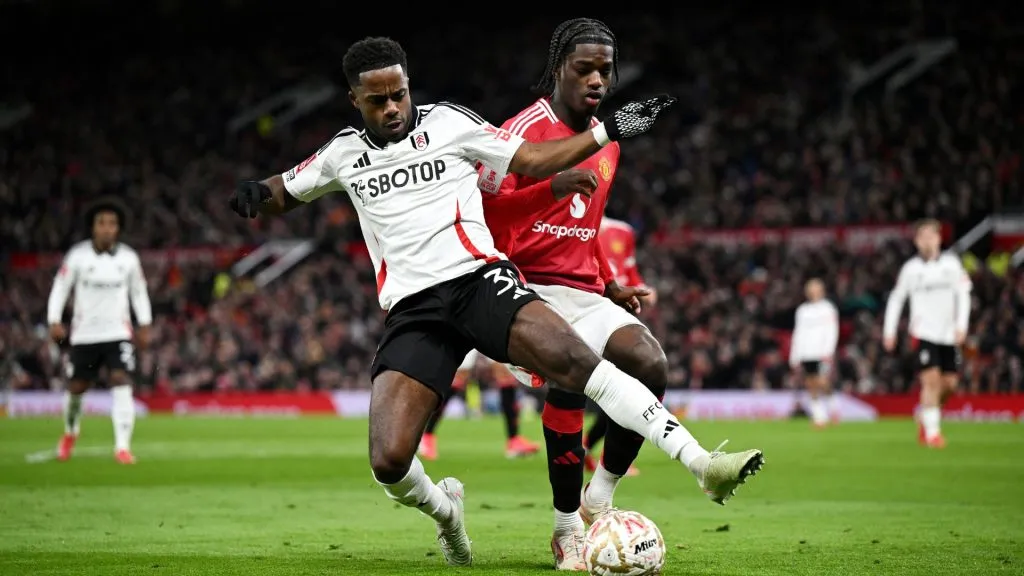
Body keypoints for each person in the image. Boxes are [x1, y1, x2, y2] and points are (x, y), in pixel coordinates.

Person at [230, 36, 761, 568]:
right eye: (377, 100)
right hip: (415, 311)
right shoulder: (342, 154)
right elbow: (287, 188)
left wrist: (607, 129)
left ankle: (699, 462)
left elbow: (532, 159)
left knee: (578, 364)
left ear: (409, 85)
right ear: (355, 100)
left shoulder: (451, 123)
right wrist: (258, 192)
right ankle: (447, 513)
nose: (392, 108)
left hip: (479, 282)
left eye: (399, 94)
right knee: (389, 461)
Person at [479, 19, 764, 570]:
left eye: (605, 70)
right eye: (583, 68)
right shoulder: (519, 133)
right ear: (558, 67)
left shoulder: (609, 146)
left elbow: (585, 226)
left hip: (584, 291)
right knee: (570, 379)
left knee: (649, 362)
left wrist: (608, 281)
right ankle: (567, 529)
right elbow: (488, 218)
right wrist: (548, 187)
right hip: (522, 290)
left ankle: (598, 498)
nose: (595, 80)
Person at [46, 199, 151, 464]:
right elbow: (60, 288)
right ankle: (70, 432)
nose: (107, 228)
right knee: (77, 387)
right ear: (93, 227)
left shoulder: (128, 258)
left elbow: (139, 292)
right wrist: (54, 320)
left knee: (121, 380)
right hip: (85, 335)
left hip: (118, 333)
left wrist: (145, 323)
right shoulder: (78, 256)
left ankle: (122, 447)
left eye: (112, 224)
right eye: (101, 223)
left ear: (118, 229)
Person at [883, 219, 972, 448]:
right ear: (916, 241)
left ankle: (927, 415)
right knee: (930, 381)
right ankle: (932, 434)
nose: (927, 241)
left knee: (949, 384)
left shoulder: (952, 265)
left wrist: (962, 325)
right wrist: (889, 331)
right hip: (923, 332)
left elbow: (963, 294)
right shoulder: (911, 269)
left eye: (931, 236)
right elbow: (896, 298)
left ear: (939, 238)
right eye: (922, 237)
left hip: (949, 333)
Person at [581, 216, 654, 477]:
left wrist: (641, 287)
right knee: (614, 387)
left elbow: (630, 269)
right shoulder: (576, 221)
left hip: (621, 310)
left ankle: (591, 448)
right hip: (592, 308)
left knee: (625, 387)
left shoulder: (623, 231)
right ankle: (599, 453)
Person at [418, 349, 540, 460]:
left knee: (504, 373)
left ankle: (514, 441)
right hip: (469, 327)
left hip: (490, 328)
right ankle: (426, 436)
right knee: (460, 374)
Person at [789, 278, 840, 428]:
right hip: (806, 353)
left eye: (817, 289)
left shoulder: (828, 309)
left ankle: (833, 407)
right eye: (811, 290)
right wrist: (795, 355)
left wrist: (829, 351)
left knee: (823, 381)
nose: (814, 292)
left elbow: (832, 331)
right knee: (811, 384)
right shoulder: (803, 311)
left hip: (822, 352)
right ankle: (819, 417)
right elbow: (798, 332)